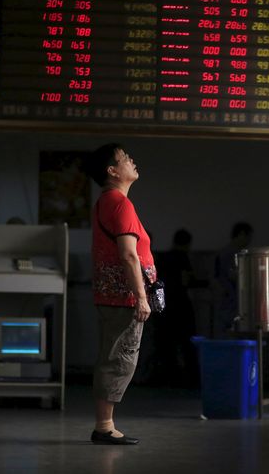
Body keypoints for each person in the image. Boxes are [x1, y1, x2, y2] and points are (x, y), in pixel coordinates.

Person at [83, 143, 154, 446]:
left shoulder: (105, 202)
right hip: (123, 297)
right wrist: (141, 296)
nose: (132, 161)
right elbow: (128, 255)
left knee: (114, 356)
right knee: (120, 359)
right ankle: (104, 426)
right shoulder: (120, 204)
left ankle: (105, 424)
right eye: (125, 159)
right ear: (112, 171)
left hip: (110, 294)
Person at [155, 229, 201, 387]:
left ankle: (169, 378)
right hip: (181, 304)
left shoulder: (163, 257)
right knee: (187, 343)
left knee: (167, 344)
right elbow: (187, 280)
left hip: (164, 305)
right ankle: (191, 379)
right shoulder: (183, 258)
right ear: (187, 244)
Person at [213, 222, 253, 337]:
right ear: (241, 234)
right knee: (230, 334)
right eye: (248, 237)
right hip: (230, 301)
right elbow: (233, 275)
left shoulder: (226, 252)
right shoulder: (232, 254)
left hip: (228, 301)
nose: (249, 241)